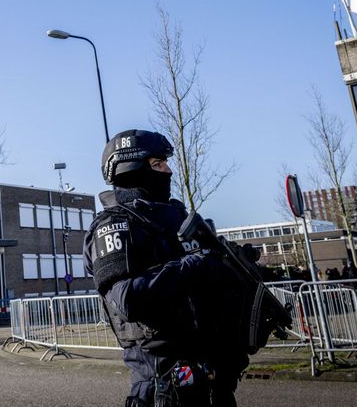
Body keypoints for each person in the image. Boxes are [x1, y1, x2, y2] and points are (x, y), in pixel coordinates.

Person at [84, 129, 250, 407]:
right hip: (161, 387)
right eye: (158, 164)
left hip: (211, 382)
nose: (169, 171)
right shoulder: (113, 225)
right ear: (130, 168)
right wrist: (196, 264)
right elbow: (128, 298)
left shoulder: (178, 218)